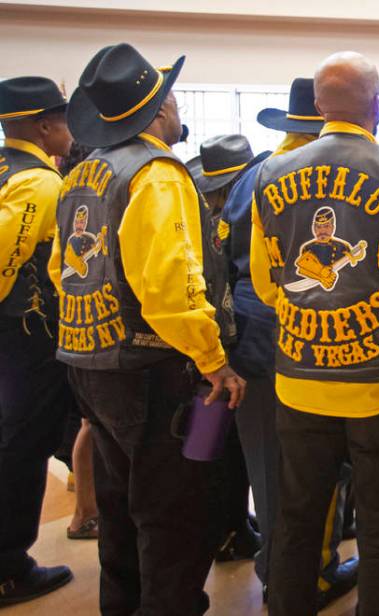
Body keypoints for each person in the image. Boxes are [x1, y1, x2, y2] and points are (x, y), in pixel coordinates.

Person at [251, 51, 379, 616]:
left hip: (298, 381)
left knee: (296, 521)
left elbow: (270, 286)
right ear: (378, 106)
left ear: (318, 107)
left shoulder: (269, 173)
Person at [53, 43, 245, 615]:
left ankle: (123, 605)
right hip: (151, 368)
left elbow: (62, 271)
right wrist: (213, 360)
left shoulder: (82, 172)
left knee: (119, 504)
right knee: (171, 512)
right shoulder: (156, 174)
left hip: (89, 361)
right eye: (172, 99)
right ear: (158, 111)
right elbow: (170, 283)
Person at [221, 77, 359, 606]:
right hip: (297, 343)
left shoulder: (251, 174)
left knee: (273, 470)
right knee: (303, 474)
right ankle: (298, 575)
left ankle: (285, 567)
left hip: (251, 344)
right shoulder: (316, 179)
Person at [0, 76, 75, 607]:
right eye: (65, 120)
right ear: (45, 126)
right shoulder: (39, 184)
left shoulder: (6, 167)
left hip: (18, 341)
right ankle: (9, 565)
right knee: (21, 449)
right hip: (27, 338)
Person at [189, 134, 265, 563]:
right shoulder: (237, 220)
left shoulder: (206, 218)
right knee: (232, 450)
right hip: (230, 347)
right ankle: (229, 529)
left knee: (217, 446)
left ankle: (228, 525)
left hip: (210, 345)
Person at [56, 141, 100, 542]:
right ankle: (85, 511)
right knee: (91, 426)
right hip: (92, 327)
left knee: (90, 424)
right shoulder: (90, 192)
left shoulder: (69, 189)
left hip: (75, 325)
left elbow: (60, 270)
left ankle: (85, 508)